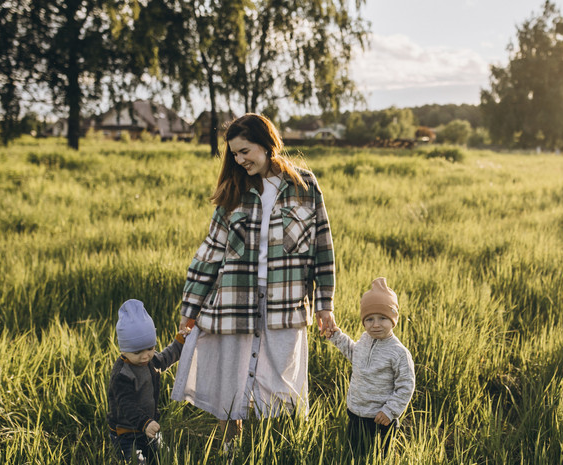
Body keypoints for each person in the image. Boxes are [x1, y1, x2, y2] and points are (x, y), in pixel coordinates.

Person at [170, 113, 336, 444]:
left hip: (285, 303)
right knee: (229, 384)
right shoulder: (234, 192)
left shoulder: (305, 186)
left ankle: (270, 450)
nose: (239, 160)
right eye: (234, 154)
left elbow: (323, 247)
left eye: (245, 151)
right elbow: (210, 253)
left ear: (266, 144)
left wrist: (324, 305)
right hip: (234, 300)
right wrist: (189, 312)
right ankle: (231, 451)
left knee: (280, 387)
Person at [326, 277, 415, 458]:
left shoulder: (398, 352)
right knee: (355, 454)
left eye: (382, 318)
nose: (375, 324)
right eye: (369, 319)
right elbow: (354, 354)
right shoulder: (365, 340)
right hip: (356, 412)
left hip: (380, 419)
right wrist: (337, 337)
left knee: (378, 457)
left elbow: (406, 385)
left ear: (393, 319)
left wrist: (390, 411)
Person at [107, 299, 186, 464]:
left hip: (148, 426)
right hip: (126, 432)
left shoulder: (151, 361)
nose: (145, 356)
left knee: (166, 457)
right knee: (136, 461)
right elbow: (126, 405)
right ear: (124, 349)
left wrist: (181, 340)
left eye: (150, 348)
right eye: (137, 352)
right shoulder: (122, 375)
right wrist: (145, 422)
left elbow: (168, 356)